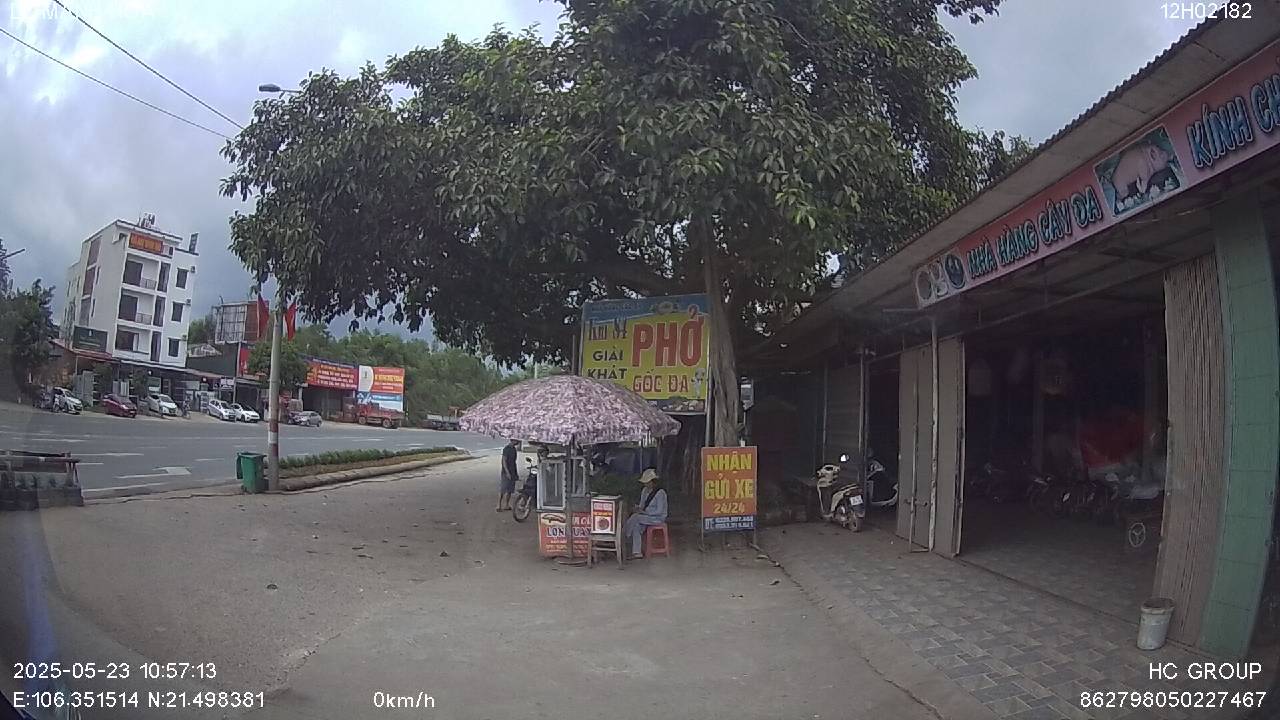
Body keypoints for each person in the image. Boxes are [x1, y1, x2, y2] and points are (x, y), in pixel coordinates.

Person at [624, 468, 667, 559]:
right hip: (645, 517)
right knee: (636, 526)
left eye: (648, 482)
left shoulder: (660, 493)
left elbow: (659, 511)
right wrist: (638, 508)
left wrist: (645, 512)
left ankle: (624, 536)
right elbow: (642, 505)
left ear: (653, 482)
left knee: (635, 517)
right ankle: (637, 552)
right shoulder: (644, 491)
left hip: (657, 518)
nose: (646, 484)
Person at [498, 438, 519, 511]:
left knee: (510, 489)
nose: (518, 442)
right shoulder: (506, 449)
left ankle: (506, 504)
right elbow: (504, 461)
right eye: (517, 441)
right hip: (506, 471)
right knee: (503, 488)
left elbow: (514, 461)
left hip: (513, 471)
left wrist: (515, 473)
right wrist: (507, 472)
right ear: (513, 440)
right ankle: (499, 504)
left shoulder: (514, 449)